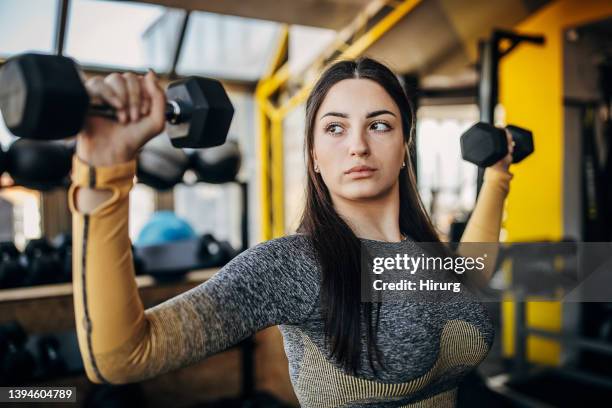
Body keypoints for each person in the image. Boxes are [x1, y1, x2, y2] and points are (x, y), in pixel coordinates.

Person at [70, 58, 513, 407]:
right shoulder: (292, 266)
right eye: (335, 128)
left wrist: (497, 179)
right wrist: (103, 173)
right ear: (315, 155)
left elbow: (470, 275)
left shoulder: (421, 252)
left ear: (403, 148)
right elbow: (121, 357)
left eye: (379, 125)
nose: (358, 144)